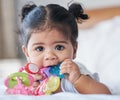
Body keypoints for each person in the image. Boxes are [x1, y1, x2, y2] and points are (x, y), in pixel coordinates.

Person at [19, 2, 111, 94]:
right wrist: (27, 88)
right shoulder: (28, 76)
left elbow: (105, 94)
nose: (50, 56)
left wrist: (77, 80)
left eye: (59, 47)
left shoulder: (75, 72)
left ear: (74, 50)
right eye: (39, 49)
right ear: (27, 53)